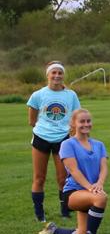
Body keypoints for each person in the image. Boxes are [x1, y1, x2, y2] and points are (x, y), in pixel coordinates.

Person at [38, 109, 106, 234]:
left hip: (89, 191)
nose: (86, 124)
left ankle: (53, 230)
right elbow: (74, 170)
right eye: (82, 121)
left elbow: (104, 168)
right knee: (100, 198)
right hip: (73, 193)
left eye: (88, 121)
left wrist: (99, 183)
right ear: (73, 124)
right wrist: (91, 188)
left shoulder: (99, 144)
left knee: (79, 233)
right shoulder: (67, 144)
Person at [27, 61, 81, 222]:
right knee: (39, 177)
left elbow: (76, 116)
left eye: (60, 73)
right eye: (54, 73)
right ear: (48, 75)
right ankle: (39, 213)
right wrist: (46, 129)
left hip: (63, 140)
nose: (57, 76)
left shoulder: (71, 95)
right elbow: (32, 120)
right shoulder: (38, 95)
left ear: (63, 75)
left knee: (63, 178)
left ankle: (65, 211)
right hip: (41, 139)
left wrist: (69, 133)